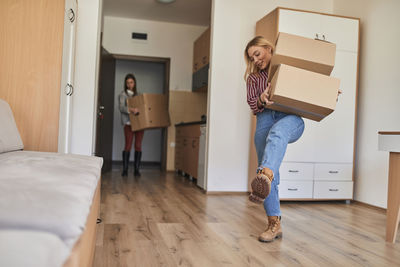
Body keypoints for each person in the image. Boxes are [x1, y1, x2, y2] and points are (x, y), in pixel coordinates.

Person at [244, 36, 305, 243]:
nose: (256, 60)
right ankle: (274, 224)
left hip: (290, 118)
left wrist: (326, 91)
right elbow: (253, 104)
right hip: (264, 119)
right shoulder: (253, 79)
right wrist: (262, 98)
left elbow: (314, 84)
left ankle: (265, 174)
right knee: (269, 174)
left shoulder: (289, 67)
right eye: (252, 58)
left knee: (277, 136)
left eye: (258, 54)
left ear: (268, 48)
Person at [119, 73, 144, 177]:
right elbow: (121, 108)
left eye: (131, 82)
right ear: (125, 84)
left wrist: (139, 110)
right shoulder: (122, 95)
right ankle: (125, 170)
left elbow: (144, 108)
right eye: (128, 82)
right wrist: (131, 110)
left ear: (134, 83)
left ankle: (136, 170)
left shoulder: (139, 94)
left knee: (138, 146)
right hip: (128, 124)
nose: (130, 84)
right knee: (128, 146)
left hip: (139, 124)